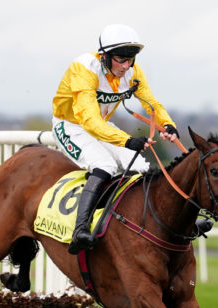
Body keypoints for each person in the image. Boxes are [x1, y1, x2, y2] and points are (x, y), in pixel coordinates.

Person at [52, 24, 196, 254]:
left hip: (102, 125)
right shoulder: (84, 68)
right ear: (104, 56)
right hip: (71, 126)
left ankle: (139, 222)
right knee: (105, 165)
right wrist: (127, 141)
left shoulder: (132, 71)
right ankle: (80, 230)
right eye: (121, 59)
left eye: (131, 59)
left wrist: (168, 124)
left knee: (140, 166)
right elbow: (89, 121)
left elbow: (151, 103)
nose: (126, 66)